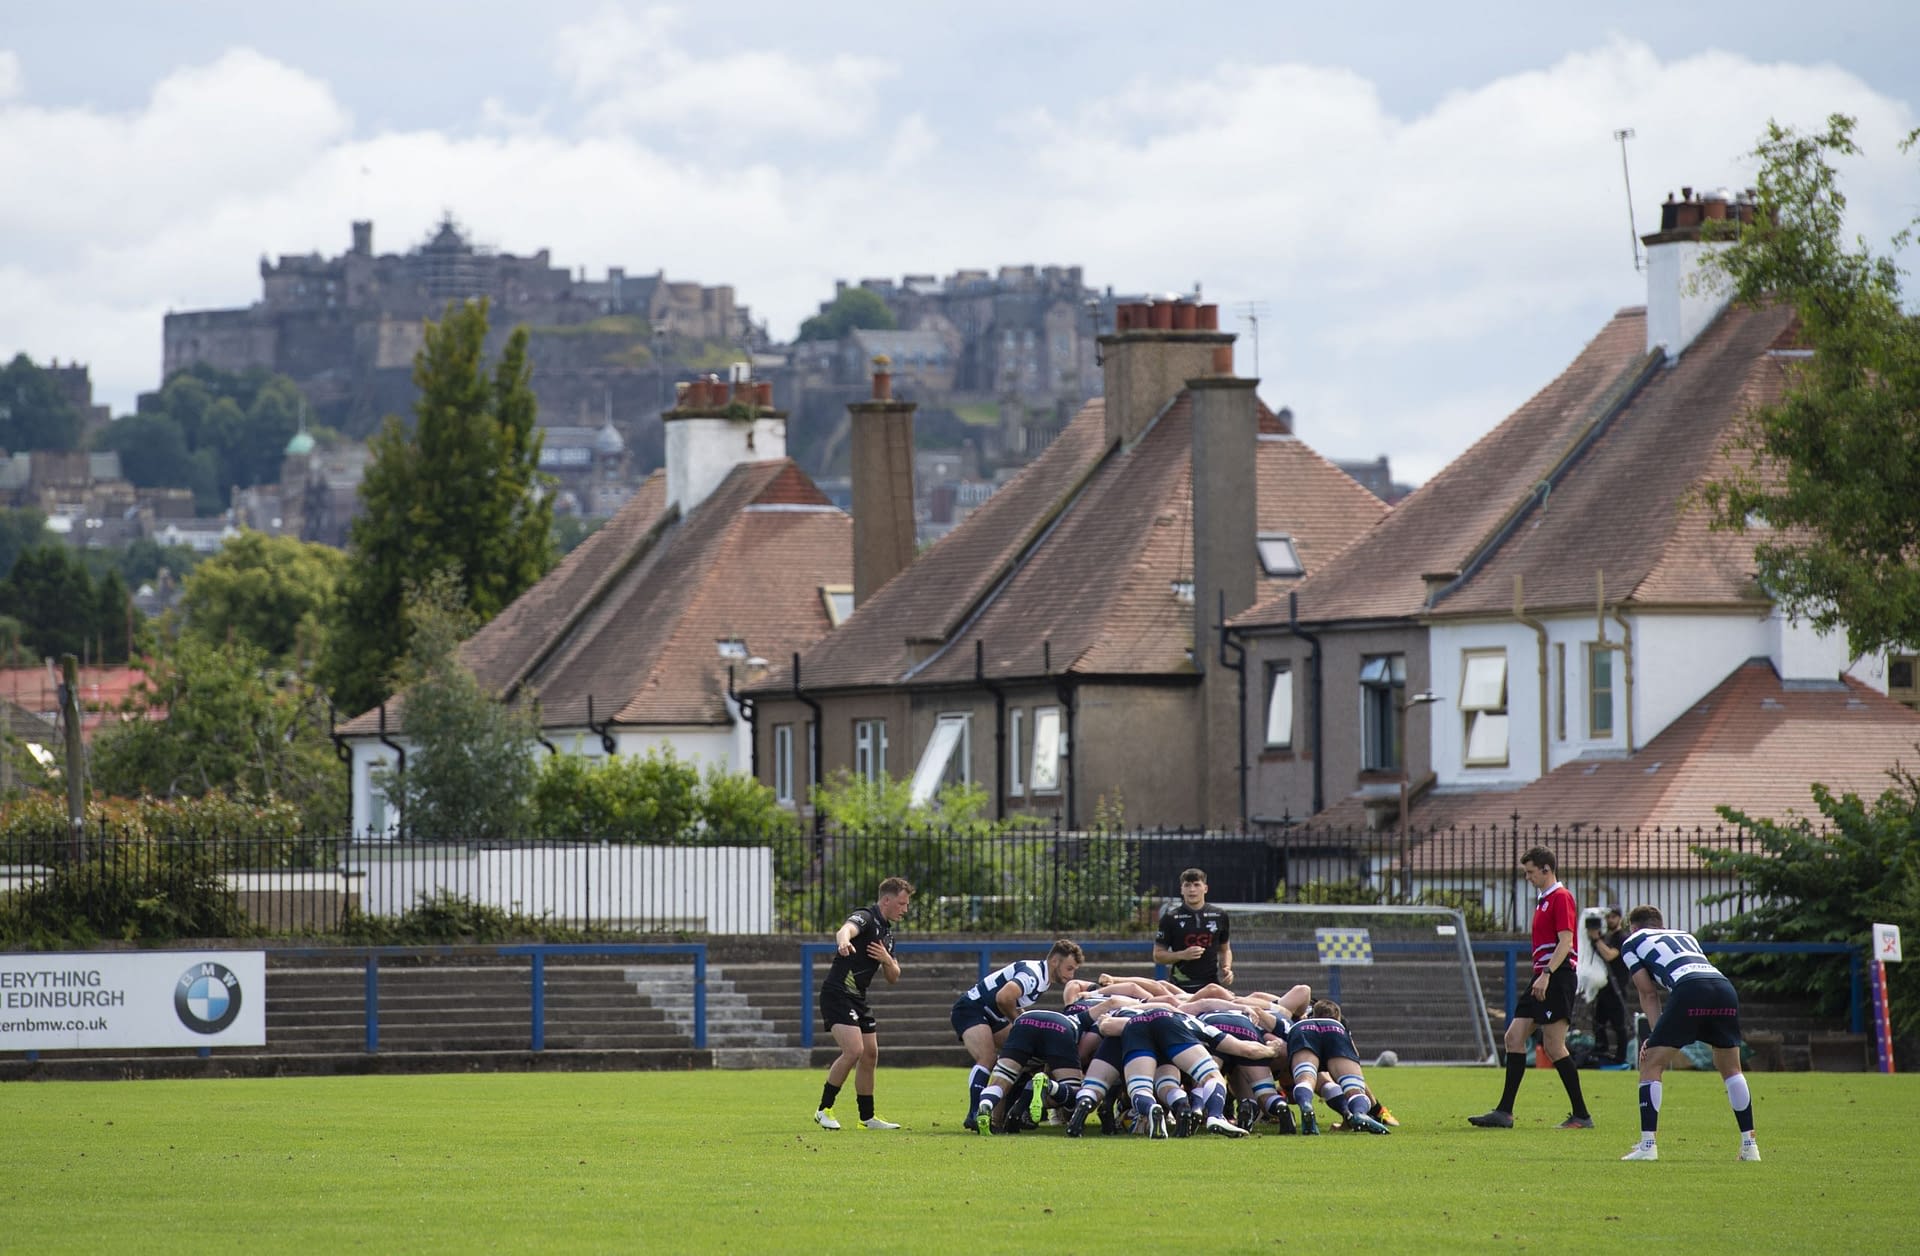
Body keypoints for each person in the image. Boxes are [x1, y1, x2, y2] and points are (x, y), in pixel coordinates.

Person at [1616, 905, 1760, 1162]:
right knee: (1731, 1068)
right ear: (1661, 925)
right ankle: (1750, 1146)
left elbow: (1647, 992)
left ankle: (1648, 1146)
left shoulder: (1632, 941)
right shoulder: (1685, 935)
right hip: (1724, 987)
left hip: (1690, 987)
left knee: (1651, 1063)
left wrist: (1655, 1033)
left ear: (1634, 927)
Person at [1468, 846, 1594, 1130]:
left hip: (1556, 976)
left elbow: (1566, 942)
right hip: (1543, 976)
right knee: (1514, 1037)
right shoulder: (1543, 900)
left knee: (1553, 1045)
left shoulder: (1561, 897)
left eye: (1530, 872)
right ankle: (1504, 1112)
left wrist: (1547, 973)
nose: (1527, 877)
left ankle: (1582, 1115)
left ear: (1546, 869)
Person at [950, 939, 1086, 1129]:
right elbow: (1004, 997)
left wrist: (1022, 1023)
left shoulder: (1042, 977)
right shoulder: (1034, 974)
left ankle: (1015, 1112)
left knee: (1025, 1054)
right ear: (1055, 961)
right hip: (972, 1009)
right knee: (987, 1058)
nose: (1071, 975)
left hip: (991, 1013)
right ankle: (974, 1113)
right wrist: (1019, 1021)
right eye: (1069, 968)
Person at [813, 876, 912, 1131]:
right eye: (901, 903)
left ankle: (866, 1118)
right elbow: (845, 929)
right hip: (837, 993)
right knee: (854, 1050)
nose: (905, 909)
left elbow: (893, 977)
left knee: (870, 1054)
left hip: (859, 997)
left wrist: (887, 960)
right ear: (886, 900)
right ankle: (824, 1109)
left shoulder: (888, 935)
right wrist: (844, 941)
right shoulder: (866, 917)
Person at [1285, 998, 1390, 1135]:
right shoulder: (1340, 1024)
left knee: (1306, 1079)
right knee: (1353, 1087)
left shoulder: (1297, 1016)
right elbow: (1354, 1053)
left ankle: (1306, 1105)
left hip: (1302, 1031)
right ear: (1337, 1016)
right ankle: (1359, 1113)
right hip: (1335, 1032)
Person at [1152, 868, 1233, 993]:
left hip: (1211, 986)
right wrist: (1182, 955)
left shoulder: (1220, 915)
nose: (1192, 889)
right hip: (1179, 987)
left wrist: (1226, 967)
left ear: (1205, 888)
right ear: (1181, 889)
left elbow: (1225, 950)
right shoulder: (1170, 918)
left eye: (1196, 885)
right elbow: (1158, 955)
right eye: (1187, 885)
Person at [1587, 907, 1633, 1065]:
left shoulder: (1622, 938)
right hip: (1604, 987)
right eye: (1607, 917)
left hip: (1617, 987)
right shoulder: (1606, 937)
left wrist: (1597, 940)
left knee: (1618, 1024)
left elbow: (1609, 955)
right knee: (1598, 1022)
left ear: (1619, 918)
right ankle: (1601, 1049)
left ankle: (1621, 1056)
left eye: (1613, 917)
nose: (1609, 920)